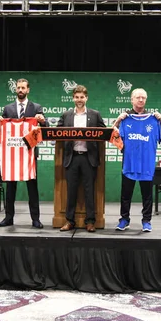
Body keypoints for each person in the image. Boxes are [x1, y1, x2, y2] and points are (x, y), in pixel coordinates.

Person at [0, 78, 48, 229]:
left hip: (29, 154)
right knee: (11, 188)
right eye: (18, 88)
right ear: (15, 89)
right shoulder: (7, 108)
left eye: (23, 88)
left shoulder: (36, 107)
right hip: (11, 155)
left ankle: (35, 219)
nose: (20, 90)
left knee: (32, 188)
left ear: (28, 89)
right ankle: (8, 218)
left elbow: (46, 127)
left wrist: (42, 121)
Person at [113, 88, 161, 232]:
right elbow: (113, 135)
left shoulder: (154, 120)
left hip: (146, 165)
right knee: (126, 195)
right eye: (138, 97)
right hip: (129, 163)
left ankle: (146, 221)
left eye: (143, 97)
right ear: (132, 99)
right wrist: (118, 120)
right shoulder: (125, 119)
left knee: (147, 196)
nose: (141, 100)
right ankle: (124, 219)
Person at [57, 85, 106, 233]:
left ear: (86, 98)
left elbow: (103, 133)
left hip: (88, 158)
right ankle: (69, 221)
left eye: (82, 97)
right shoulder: (66, 115)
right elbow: (57, 133)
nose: (79, 100)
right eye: (77, 97)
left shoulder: (95, 114)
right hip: (71, 158)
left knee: (89, 190)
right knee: (71, 191)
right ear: (73, 98)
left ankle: (90, 221)